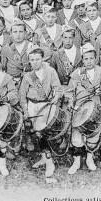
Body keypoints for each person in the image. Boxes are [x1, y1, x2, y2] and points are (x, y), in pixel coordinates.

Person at [67, 43, 101, 174]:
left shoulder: (100, 72)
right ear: (82, 59)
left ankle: (89, 158)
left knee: (93, 135)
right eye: (86, 59)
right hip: (80, 109)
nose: (89, 61)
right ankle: (76, 162)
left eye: (91, 58)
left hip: (96, 106)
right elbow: (70, 91)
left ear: (95, 58)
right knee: (77, 136)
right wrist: (70, 101)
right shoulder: (77, 73)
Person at [19, 45, 63, 178]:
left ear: (42, 58)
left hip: (46, 105)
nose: (34, 62)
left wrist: (56, 97)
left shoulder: (50, 71)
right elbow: (22, 96)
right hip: (33, 106)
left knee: (42, 133)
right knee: (37, 133)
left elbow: (58, 88)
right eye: (32, 60)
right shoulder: (27, 75)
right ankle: (44, 157)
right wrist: (26, 111)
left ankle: (50, 162)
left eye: (37, 59)